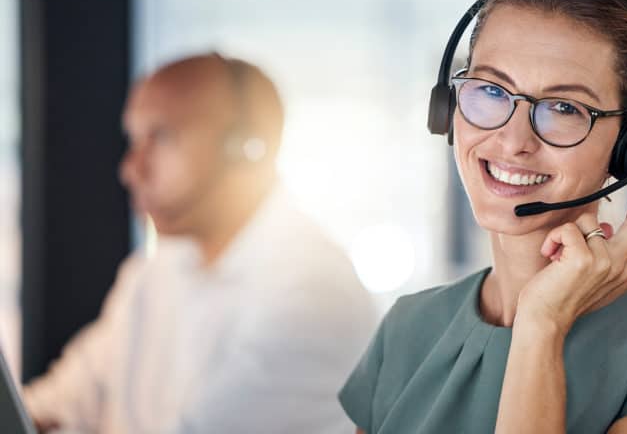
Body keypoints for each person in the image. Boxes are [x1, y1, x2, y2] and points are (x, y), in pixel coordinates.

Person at [339, 0, 627, 434]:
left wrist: (540, 328)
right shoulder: (407, 330)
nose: (513, 140)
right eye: (492, 91)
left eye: (564, 107)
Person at [24, 53, 377, 433]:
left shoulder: (315, 292)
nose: (131, 168)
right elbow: (58, 402)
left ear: (246, 148)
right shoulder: (152, 272)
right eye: (134, 138)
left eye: (160, 137)